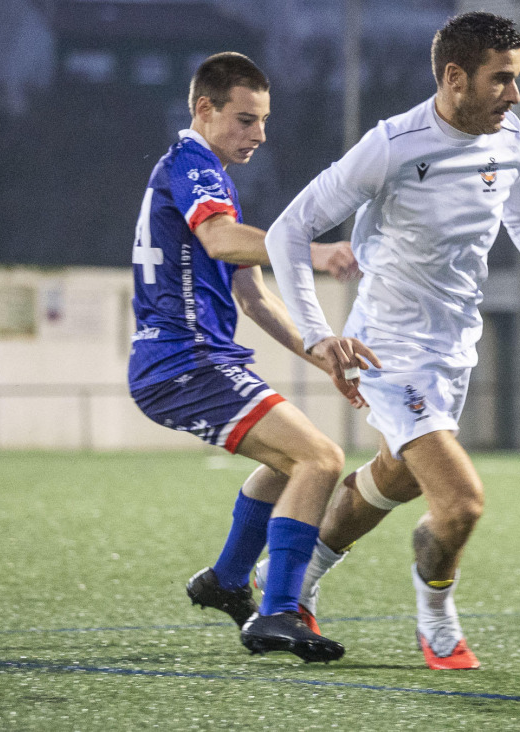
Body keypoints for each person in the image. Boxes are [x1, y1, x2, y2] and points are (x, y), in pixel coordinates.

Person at [264, 12, 520, 670]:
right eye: (502, 81)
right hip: (388, 350)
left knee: (397, 478)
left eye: (518, 80)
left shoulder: (508, 137)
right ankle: (435, 615)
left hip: (451, 351)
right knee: (461, 502)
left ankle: (295, 577)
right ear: (454, 78)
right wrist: (320, 335)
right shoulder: (392, 145)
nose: (515, 95)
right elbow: (287, 232)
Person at [127, 51, 377, 664]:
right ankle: (276, 613)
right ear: (205, 110)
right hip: (185, 361)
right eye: (245, 119)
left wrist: (323, 354)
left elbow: (251, 293)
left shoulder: (210, 176)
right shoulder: (191, 164)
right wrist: (312, 252)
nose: (259, 134)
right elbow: (216, 237)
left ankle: (227, 580)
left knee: (296, 462)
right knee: (320, 458)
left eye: (263, 120)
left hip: (196, 360)